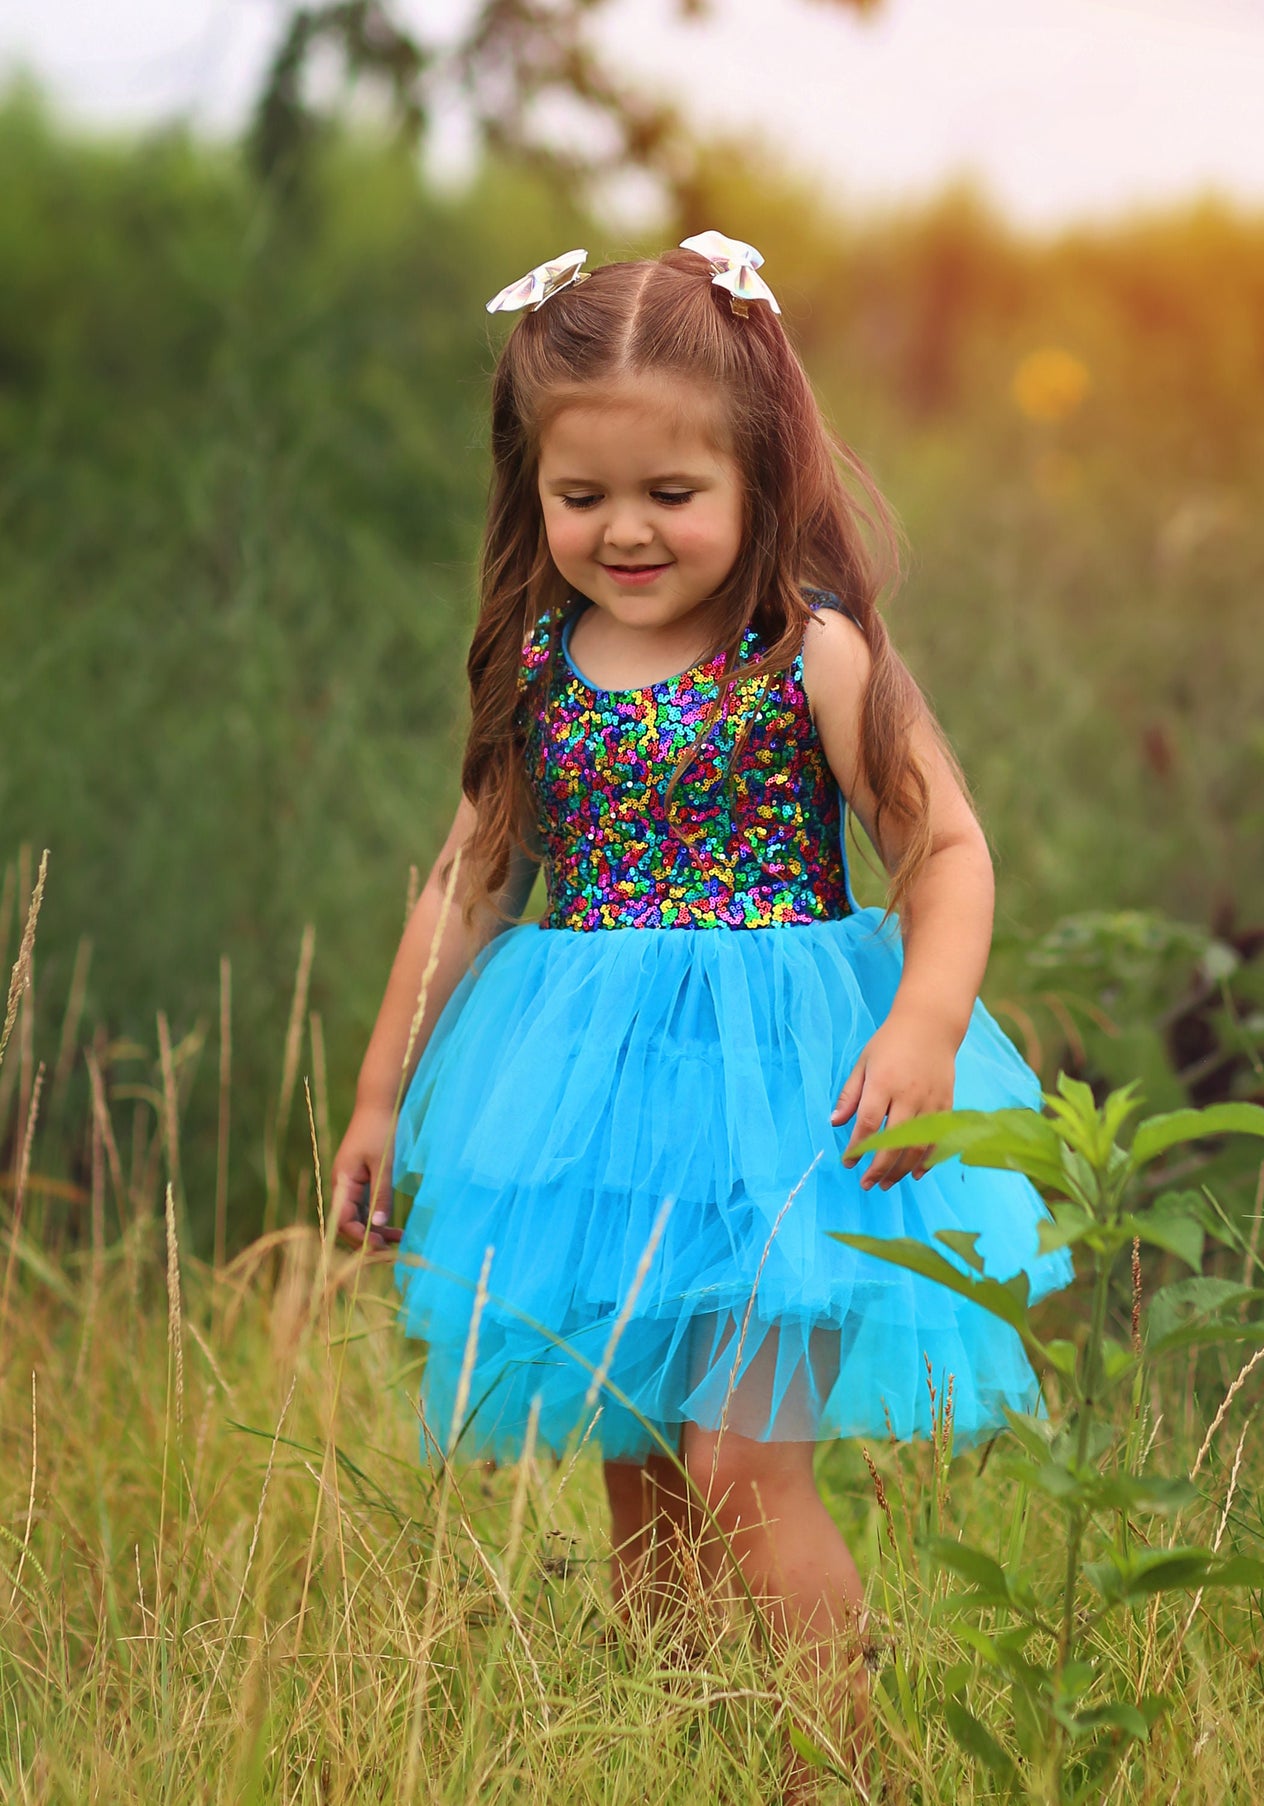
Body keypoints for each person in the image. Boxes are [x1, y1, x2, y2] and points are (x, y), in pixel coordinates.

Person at [331, 230, 1071, 1791]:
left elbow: (942, 848)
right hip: (592, 1124)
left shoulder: (807, 654)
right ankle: (690, 1753)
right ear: (531, 486)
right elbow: (468, 883)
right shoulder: (538, 668)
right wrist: (384, 1096)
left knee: (743, 1468)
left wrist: (926, 1021)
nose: (624, 531)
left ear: (757, 469)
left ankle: (834, 1776)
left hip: (790, 1114)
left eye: (670, 494)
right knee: (645, 1477)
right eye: (579, 495)